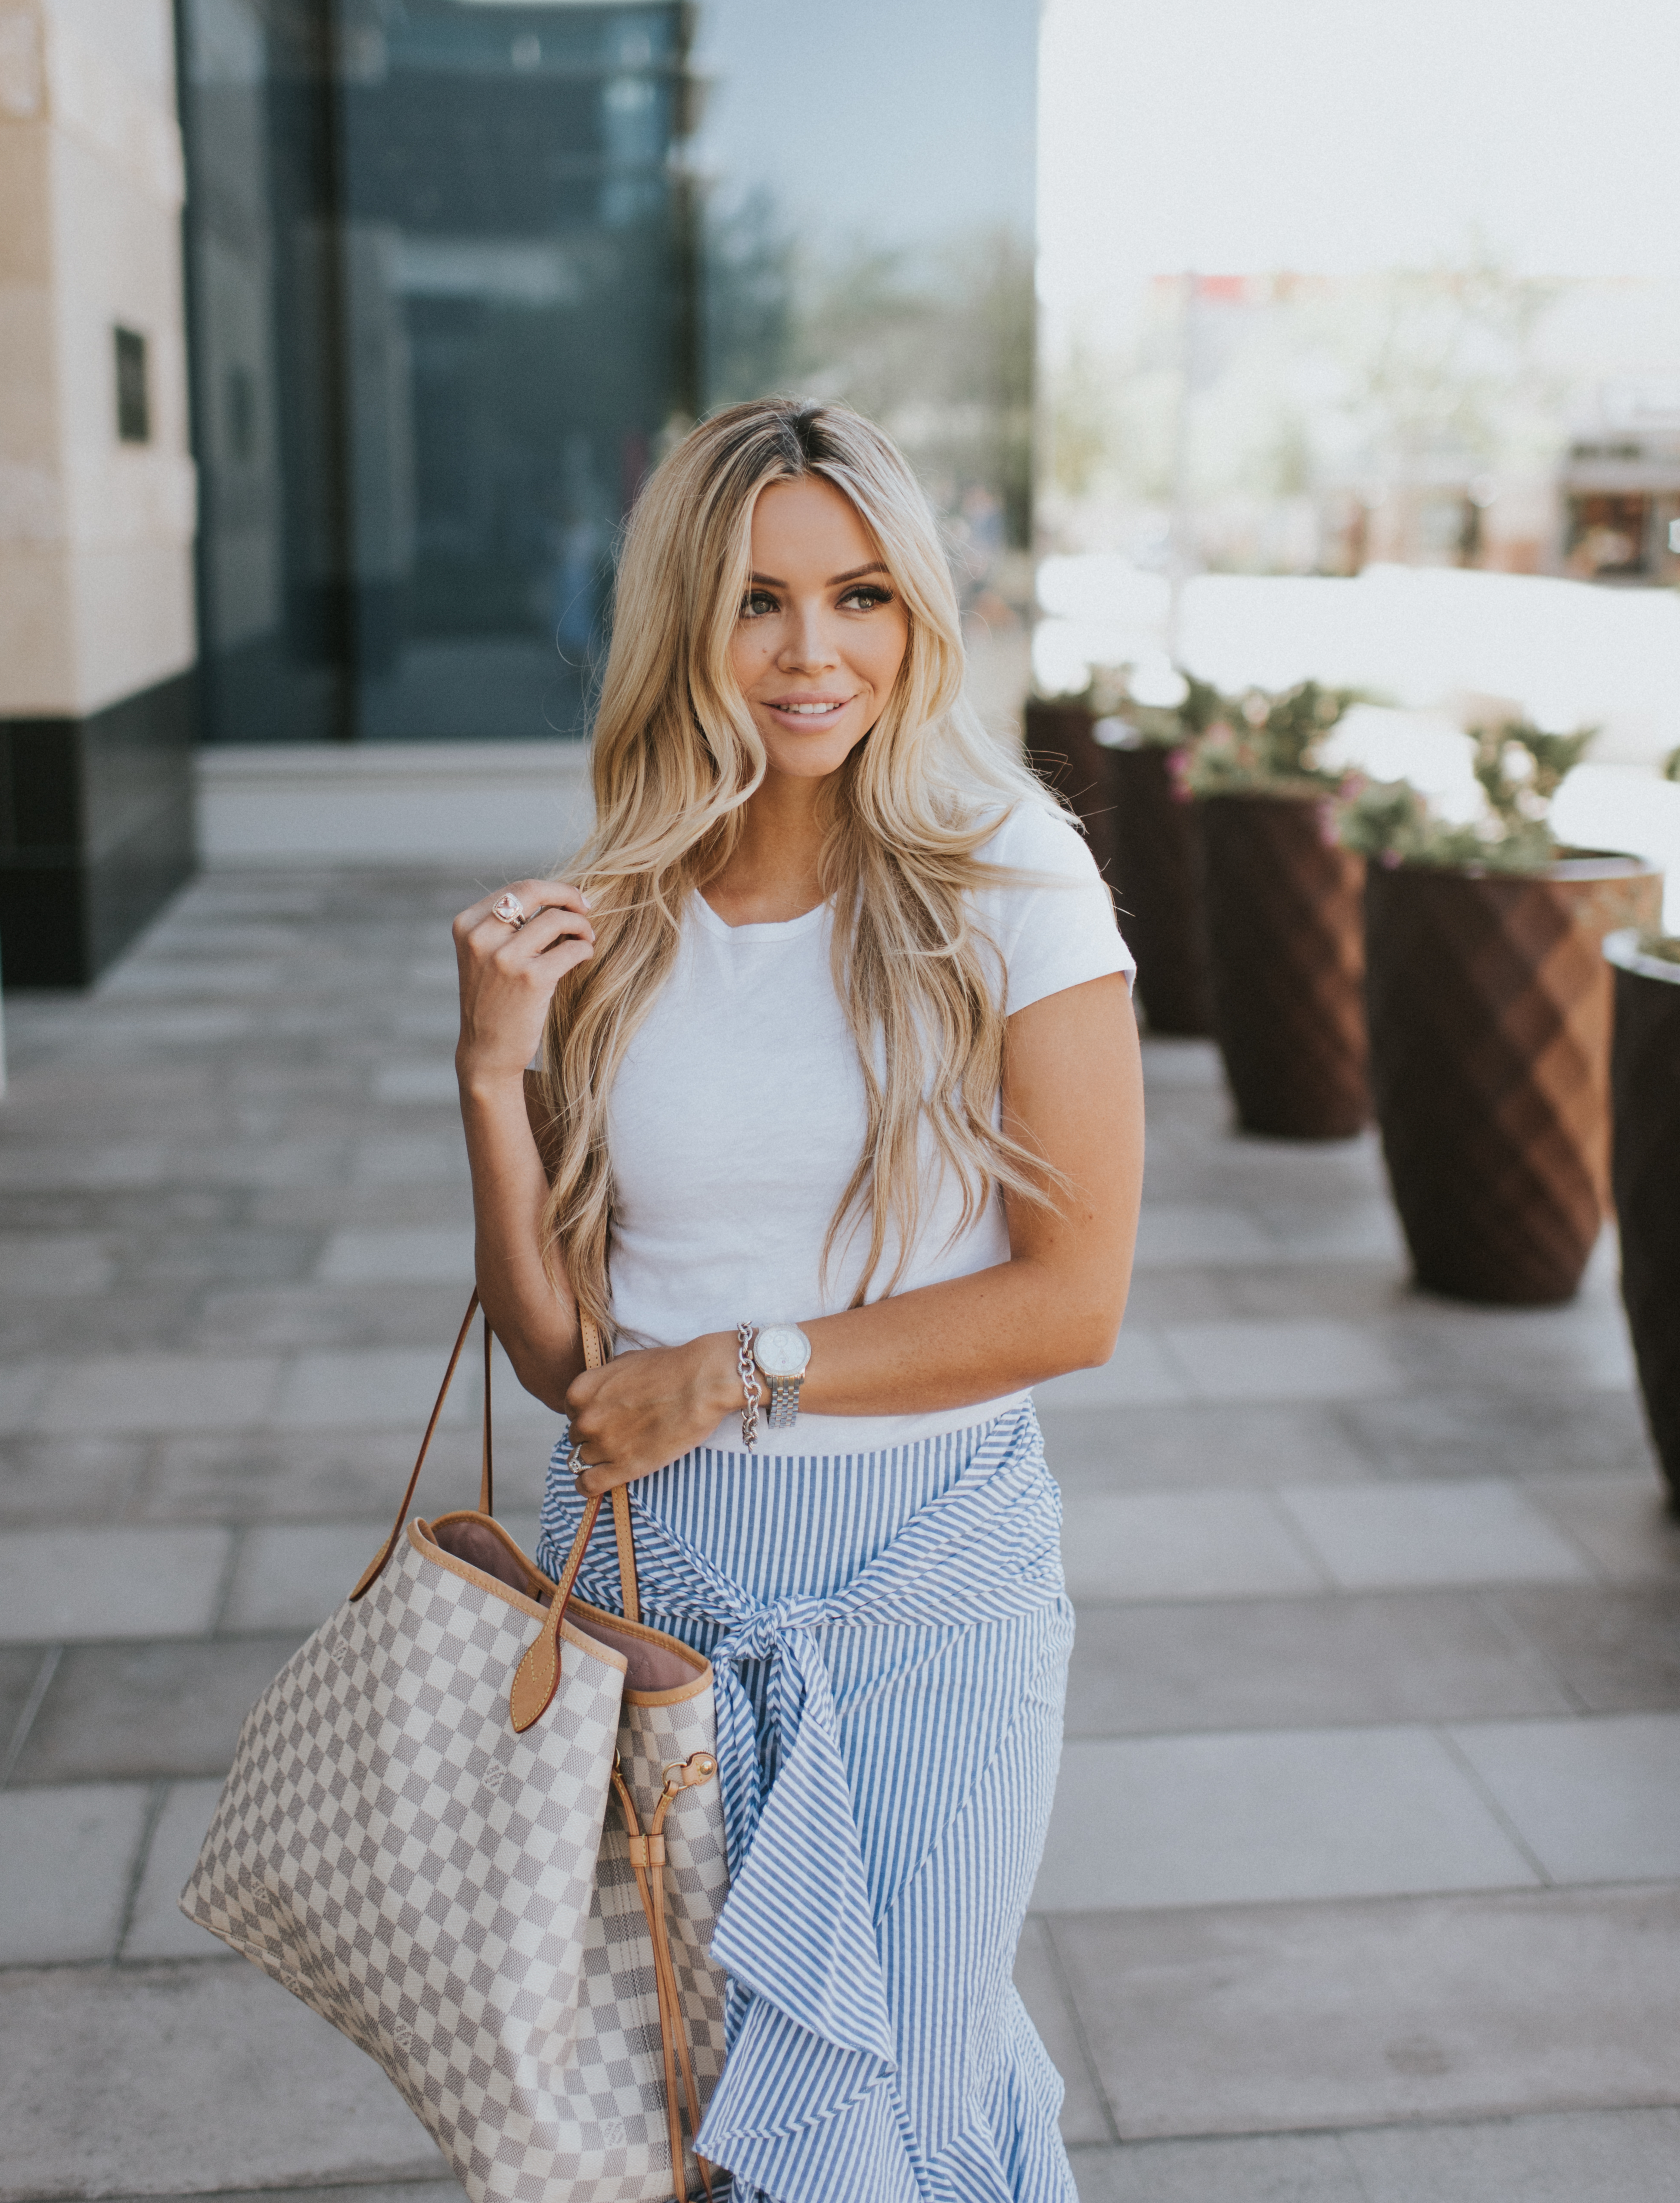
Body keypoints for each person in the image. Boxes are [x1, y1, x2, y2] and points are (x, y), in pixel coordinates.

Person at [452, 399, 1144, 2203]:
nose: (811, 652)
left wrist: (740, 1372)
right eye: (758, 602)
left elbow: (1073, 1301)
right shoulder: (622, 899)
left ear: (919, 613)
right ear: (685, 619)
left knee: (907, 2099)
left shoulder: (1009, 870)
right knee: (671, 2122)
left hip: (929, 1588)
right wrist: (483, 1077)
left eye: (859, 598)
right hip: (645, 1599)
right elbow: (562, 1365)